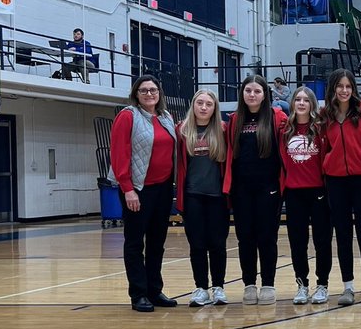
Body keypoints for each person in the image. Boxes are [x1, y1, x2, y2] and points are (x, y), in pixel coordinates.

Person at [112, 75, 177, 313]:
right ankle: (138, 294)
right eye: (144, 90)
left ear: (159, 93)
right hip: (138, 190)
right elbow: (119, 154)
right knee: (135, 243)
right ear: (136, 94)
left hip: (162, 189)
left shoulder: (166, 117)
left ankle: (154, 290)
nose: (149, 94)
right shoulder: (128, 116)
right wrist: (128, 189)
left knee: (157, 243)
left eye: (153, 90)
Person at [225, 75, 288, 305]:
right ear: (242, 94)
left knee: (267, 237)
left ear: (265, 94)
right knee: (245, 238)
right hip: (241, 190)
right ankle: (249, 284)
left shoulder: (277, 117)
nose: (252, 95)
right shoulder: (234, 120)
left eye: (257, 91)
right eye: (248, 90)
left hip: (268, 189)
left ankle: (268, 284)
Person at [320, 69, 361, 306]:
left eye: (348, 86)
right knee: (343, 235)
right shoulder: (325, 115)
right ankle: (347, 287)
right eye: (340, 86)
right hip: (335, 180)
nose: (344, 91)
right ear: (333, 88)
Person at [175, 90, 229, 307]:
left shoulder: (223, 130)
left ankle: (218, 287)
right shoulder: (182, 130)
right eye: (200, 103)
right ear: (193, 105)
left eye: (209, 104)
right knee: (197, 244)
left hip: (217, 197)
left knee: (217, 244)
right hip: (192, 196)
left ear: (214, 108)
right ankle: (200, 288)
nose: (204, 107)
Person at [280, 86, 331, 305]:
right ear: (292, 103)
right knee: (297, 242)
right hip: (293, 193)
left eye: (306, 100)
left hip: (318, 192)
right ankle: (302, 285)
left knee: (322, 241)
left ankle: (323, 285)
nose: (301, 103)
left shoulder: (320, 129)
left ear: (312, 104)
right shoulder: (285, 130)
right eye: (297, 99)